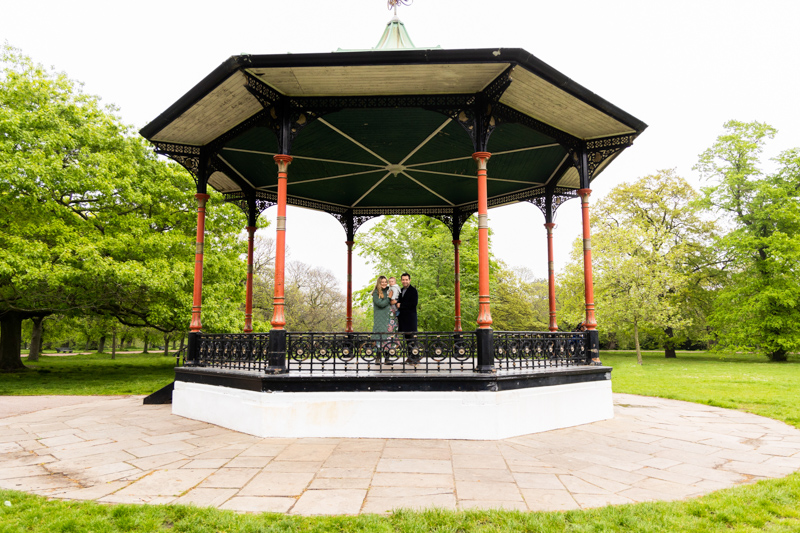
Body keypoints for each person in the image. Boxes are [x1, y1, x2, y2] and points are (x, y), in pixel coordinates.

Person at [396, 273, 419, 362]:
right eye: (403, 280)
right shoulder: (401, 290)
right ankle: (410, 357)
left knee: (413, 338)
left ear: (409, 280)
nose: (404, 281)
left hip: (411, 319)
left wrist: (401, 305)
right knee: (407, 339)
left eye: (406, 280)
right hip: (403, 319)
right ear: (401, 280)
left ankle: (416, 358)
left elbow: (413, 304)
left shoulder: (413, 290)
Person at [371, 276, 392, 341]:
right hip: (380, 318)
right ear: (379, 283)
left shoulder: (388, 290)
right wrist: (389, 298)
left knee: (390, 337)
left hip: (389, 317)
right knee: (380, 337)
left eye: (386, 282)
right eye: (382, 282)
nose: (384, 283)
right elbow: (381, 304)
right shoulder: (376, 293)